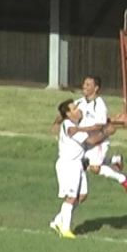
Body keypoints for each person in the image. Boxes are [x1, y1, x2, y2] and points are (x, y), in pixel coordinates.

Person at [49, 99, 117, 239]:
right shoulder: (69, 126)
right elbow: (91, 140)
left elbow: (93, 129)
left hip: (78, 164)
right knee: (71, 197)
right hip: (68, 165)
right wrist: (106, 133)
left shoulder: (76, 124)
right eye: (74, 109)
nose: (79, 111)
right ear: (68, 113)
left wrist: (112, 123)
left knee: (82, 196)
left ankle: (57, 221)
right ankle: (65, 229)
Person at [54, 75, 127, 195]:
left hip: (99, 141)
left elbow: (99, 127)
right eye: (84, 84)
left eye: (88, 85)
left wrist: (79, 129)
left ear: (96, 88)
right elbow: (66, 112)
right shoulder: (80, 102)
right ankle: (115, 159)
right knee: (86, 164)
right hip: (86, 140)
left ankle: (124, 180)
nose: (84, 87)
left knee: (94, 167)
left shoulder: (100, 105)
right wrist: (57, 122)